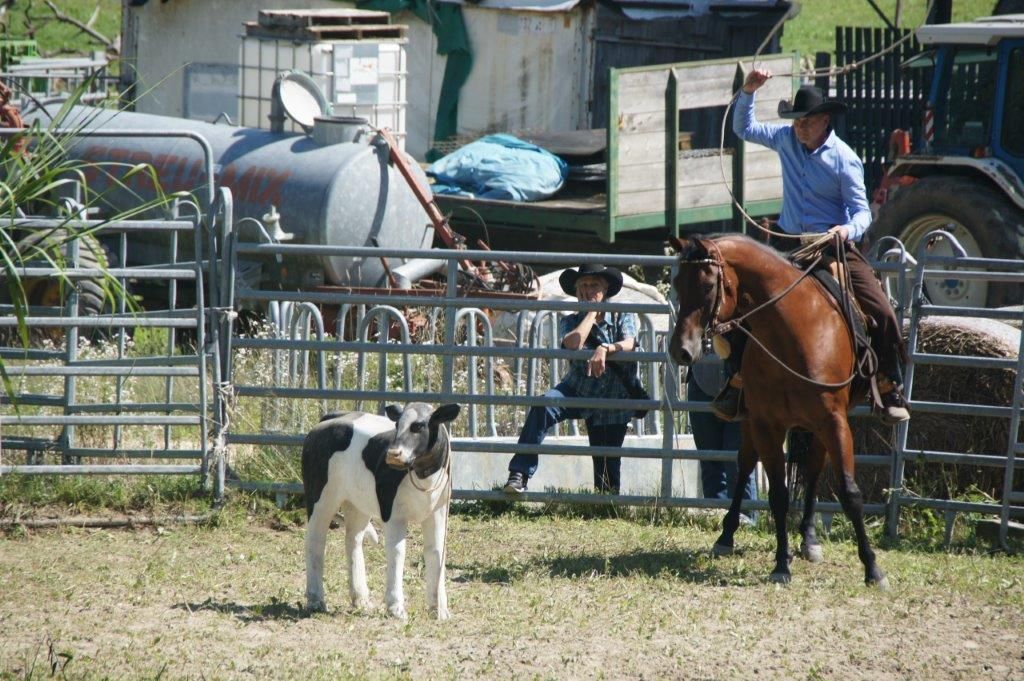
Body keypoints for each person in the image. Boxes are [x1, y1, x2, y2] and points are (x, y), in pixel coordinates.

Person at [716, 69, 910, 425]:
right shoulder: (785, 139)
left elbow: (862, 212)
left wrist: (846, 230)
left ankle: (888, 383)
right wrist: (749, 91)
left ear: (824, 121)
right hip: (787, 246)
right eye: (795, 121)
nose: (798, 127)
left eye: (805, 122)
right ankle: (738, 379)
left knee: (881, 311)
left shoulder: (844, 158)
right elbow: (744, 128)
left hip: (831, 247)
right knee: (740, 309)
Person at [503, 263, 642, 495]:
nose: (588, 290)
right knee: (543, 405)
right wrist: (590, 313)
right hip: (577, 389)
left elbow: (629, 343)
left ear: (605, 289)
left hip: (611, 400)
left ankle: (605, 508)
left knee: (607, 476)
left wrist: (606, 348)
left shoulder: (622, 315)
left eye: (594, 285)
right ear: (576, 291)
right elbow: (573, 343)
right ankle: (519, 475)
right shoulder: (569, 320)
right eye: (583, 285)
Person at [687, 349, 757, 522]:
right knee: (709, 458)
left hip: (740, 386)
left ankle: (746, 516)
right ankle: (716, 515)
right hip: (701, 383)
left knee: (739, 459)